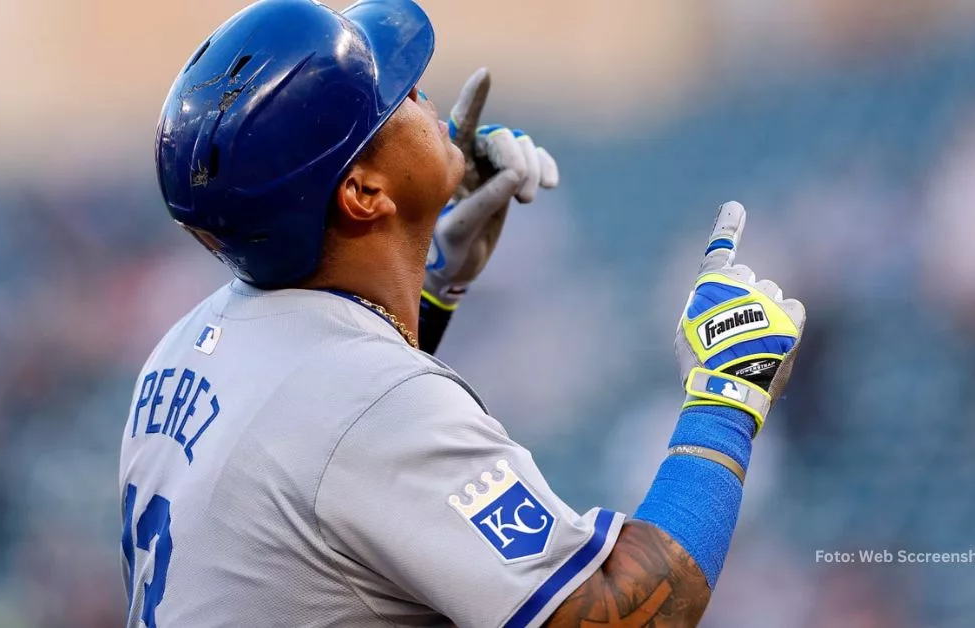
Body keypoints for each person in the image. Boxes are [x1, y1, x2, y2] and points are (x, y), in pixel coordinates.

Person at [119, 0, 807, 626]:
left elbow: (325, 465)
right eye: (398, 99)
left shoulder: (184, 343)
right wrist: (728, 391)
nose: (424, 96)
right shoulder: (367, 403)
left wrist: (424, 275)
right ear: (364, 193)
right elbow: (619, 616)